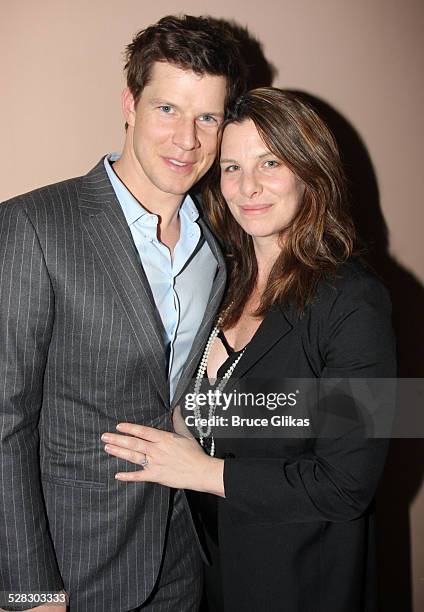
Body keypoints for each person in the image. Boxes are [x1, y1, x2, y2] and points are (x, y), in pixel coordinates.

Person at [102, 88, 397, 611]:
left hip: (300, 579)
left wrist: (201, 472)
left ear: (311, 170)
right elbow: (248, 413)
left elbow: (347, 484)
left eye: (271, 162)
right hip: (209, 569)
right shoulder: (220, 277)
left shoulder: (354, 300)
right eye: (232, 167)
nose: (248, 187)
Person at [0, 15, 246, 612]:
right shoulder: (34, 226)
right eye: (168, 110)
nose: (187, 140)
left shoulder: (218, 243)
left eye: (207, 117)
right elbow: (5, 423)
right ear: (130, 103)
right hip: (72, 567)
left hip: (180, 556)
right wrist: (32, 591)